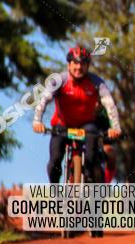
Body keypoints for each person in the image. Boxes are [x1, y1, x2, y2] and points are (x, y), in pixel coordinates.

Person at [33, 46, 121, 183]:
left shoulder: (97, 83)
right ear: (69, 64)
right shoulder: (59, 81)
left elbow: (109, 104)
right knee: (55, 160)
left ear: (88, 66)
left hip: (87, 126)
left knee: (92, 158)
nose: (79, 67)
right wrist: (37, 121)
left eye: (83, 64)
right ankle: (56, 196)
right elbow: (44, 99)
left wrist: (115, 127)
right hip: (62, 124)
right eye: (75, 62)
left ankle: (88, 182)